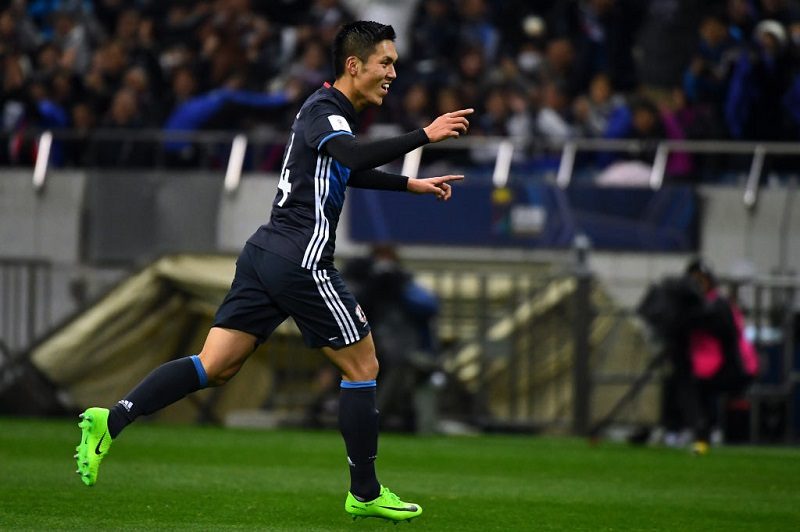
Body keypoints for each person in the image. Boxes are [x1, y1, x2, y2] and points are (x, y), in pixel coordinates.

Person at [74, 20, 473, 524]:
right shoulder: (327, 111)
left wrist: (407, 185)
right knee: (363, 366)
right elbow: (349, 154)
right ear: (355, 65)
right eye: (386, 62)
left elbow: (341, 166)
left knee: (215, 366)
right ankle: (366, 493)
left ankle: (111, 419)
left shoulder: (323, 110)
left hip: (265, 254)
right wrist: (424, 135)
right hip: (302, 259)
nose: (393, 72)